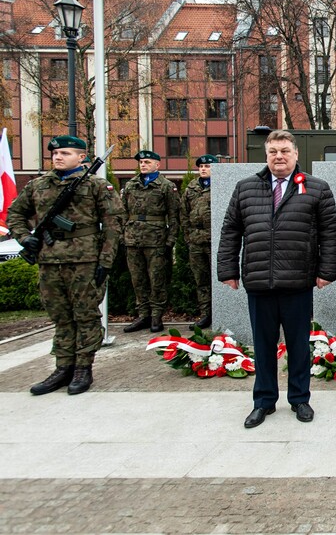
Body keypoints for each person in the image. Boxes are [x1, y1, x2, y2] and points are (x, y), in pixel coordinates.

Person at [217, 129, 336, 429]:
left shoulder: (316, 188)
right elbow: (231, 230)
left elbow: (330, 234)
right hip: (259, 282)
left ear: (296, 154)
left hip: (297, 282)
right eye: (273, 151)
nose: (279, 157)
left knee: (299, 345)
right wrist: (228, 270)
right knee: (263, 346)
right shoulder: (245, 188)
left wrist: (326, 272)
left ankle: (300, 399)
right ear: (266, 155)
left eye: (284, 150)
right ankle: (264, 401)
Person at [7, 135, 124, 395]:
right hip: (49, 261)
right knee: (60, 316)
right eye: (56, 153)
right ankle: (63, 367)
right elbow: (15, 213)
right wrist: (25, 237)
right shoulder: (38, 185)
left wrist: (105, 259)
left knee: (85, 315)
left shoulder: (95, 186)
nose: (58, 157)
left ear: (82, 157)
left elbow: (114, 224)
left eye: (65, 153)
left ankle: (83, 368)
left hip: (85, 260)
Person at [122, 150, 180, 333]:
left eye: (147, 162)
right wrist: (123, 234)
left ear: (157, 165)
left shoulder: (165, 186)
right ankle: (143, 315)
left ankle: (156, 316)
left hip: (156, 240)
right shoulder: (131, 185)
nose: (143, 165)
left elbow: (174, 215)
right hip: (133, 239)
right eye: (141, 162)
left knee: (157, 279)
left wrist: (171, 240)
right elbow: (122, 211)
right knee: (138, 279)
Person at [181, 154, 218, 330]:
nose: (203, 169)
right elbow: (183, 213)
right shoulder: (191, 188)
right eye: (201, 166)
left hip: (215, 239)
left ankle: (220, 313)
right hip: (196, 240)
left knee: (218, 280)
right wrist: (188, 236)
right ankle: (205, 314)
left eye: (207, 166)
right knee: (201, 280)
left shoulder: (221, 185)